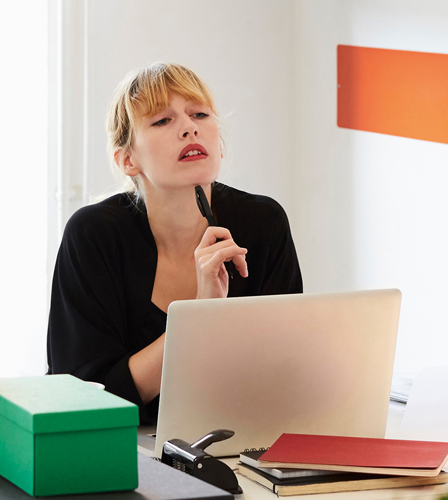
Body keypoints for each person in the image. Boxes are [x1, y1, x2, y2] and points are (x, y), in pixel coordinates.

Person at [47, 63, 302, 424]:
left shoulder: (264, 222)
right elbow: (82, 398)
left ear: (220, 145)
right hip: (115, 451)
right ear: (127, 159)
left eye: (199, 113)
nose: (189, 127)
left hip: (238, 443)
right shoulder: (93, 235)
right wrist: (198, 316)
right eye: (162, 121)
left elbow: (284, 373)